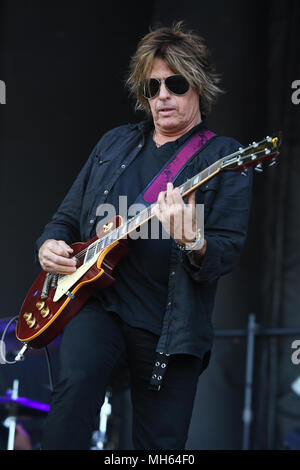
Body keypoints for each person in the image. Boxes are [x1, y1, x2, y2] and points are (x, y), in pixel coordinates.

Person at [37, 22, 252, 450]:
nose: (163, 96)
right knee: (73, 394)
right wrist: (48, 246)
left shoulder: (223, 156)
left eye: (175, 83)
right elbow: (64, 219)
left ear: (199, 87)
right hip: (98, 305)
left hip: (170, 332)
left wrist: (194, 240)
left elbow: (224, 253)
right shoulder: (114, 144)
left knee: (161, 446)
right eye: (152, 88)